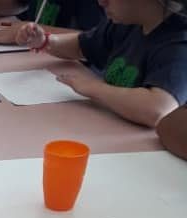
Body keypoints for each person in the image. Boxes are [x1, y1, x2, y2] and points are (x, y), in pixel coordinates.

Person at [15, 0, 187, 128]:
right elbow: (81, 46)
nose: (101, 2)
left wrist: (93, 88)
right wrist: (45, 41)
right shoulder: (128, 23)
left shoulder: (178, 43)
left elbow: (157, 109)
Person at [0, 0, 105, 45]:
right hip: (29, 57)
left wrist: (33, 30)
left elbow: (95, 39)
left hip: (71, 68)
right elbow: (20, 4)